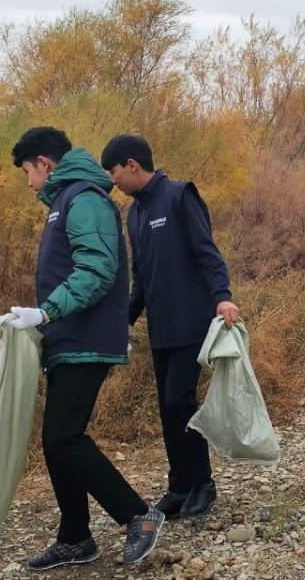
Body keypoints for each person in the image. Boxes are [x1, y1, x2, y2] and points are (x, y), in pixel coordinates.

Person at [7, 127, 163, 570]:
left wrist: (47, 312)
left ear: (44, 163)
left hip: (86, 339)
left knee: (63, 436)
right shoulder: (64, 202)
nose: (28, 182)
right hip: (68, 340)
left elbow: (96, 269)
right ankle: (75, 537)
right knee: (56, 441)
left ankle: (137, 514)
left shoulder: (84, 199)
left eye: (27, 172)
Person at [99, 134, 239, 521]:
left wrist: (222, 295)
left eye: (113, 174)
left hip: (191, 321)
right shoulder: (136, 215)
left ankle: (203, 485)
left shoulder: (180, 196)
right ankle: (180, 487)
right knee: (168, 408)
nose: (114, 184)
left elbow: (207, 251)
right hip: (161, 328)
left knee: (180, 401)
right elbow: (140, 279)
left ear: (131, 165)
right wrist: (122, 322)